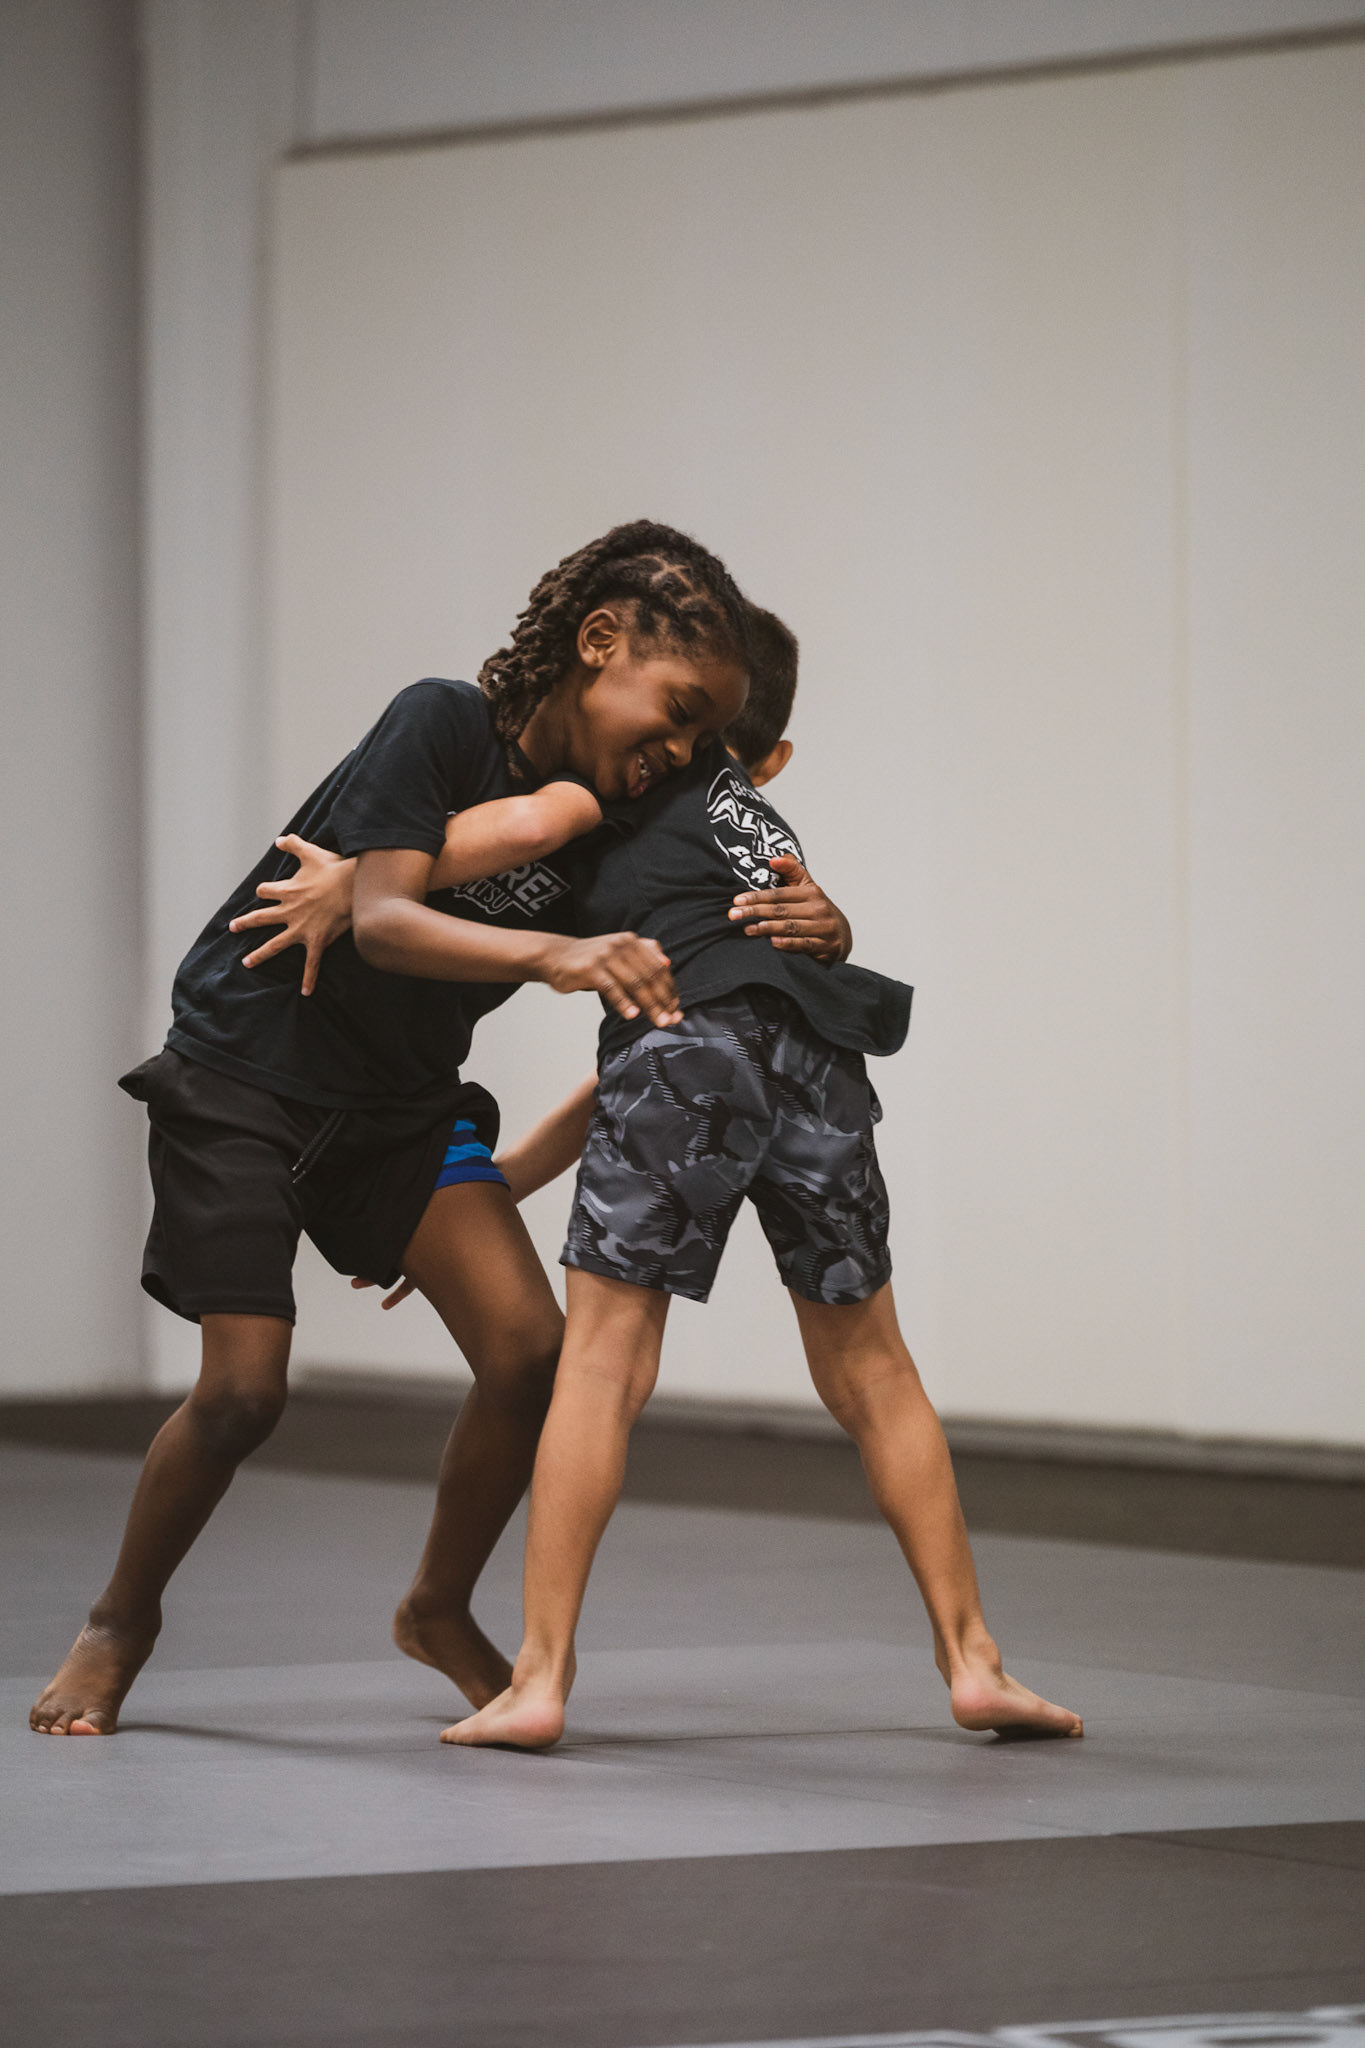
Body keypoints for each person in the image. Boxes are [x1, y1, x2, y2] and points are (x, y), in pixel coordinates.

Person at [30, 522, 821, 1738]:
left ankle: (436, 1605)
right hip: (247, 1072)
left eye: (702, 739)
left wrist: (818, 911)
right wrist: (548, 950)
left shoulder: (607, 822)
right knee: (243, 1391)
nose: (675, 752)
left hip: (399, 1111)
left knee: (531, 1349)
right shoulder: (442, 720)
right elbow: (390, 921)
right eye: (673, 712)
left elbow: (680, 996)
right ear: (598, 641)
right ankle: (117, 1621)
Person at [264, 609, 1085, 1748]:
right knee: (875, 1368)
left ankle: (539, 1677)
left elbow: (623, 975)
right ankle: (974, 1660)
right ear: (772, 754)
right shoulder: (754, 818)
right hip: (816, 1057)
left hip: (684, 1052)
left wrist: (353, 881)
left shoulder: (615, 778)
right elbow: (721, 1018)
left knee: (602, 1366)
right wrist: (505, 1177)